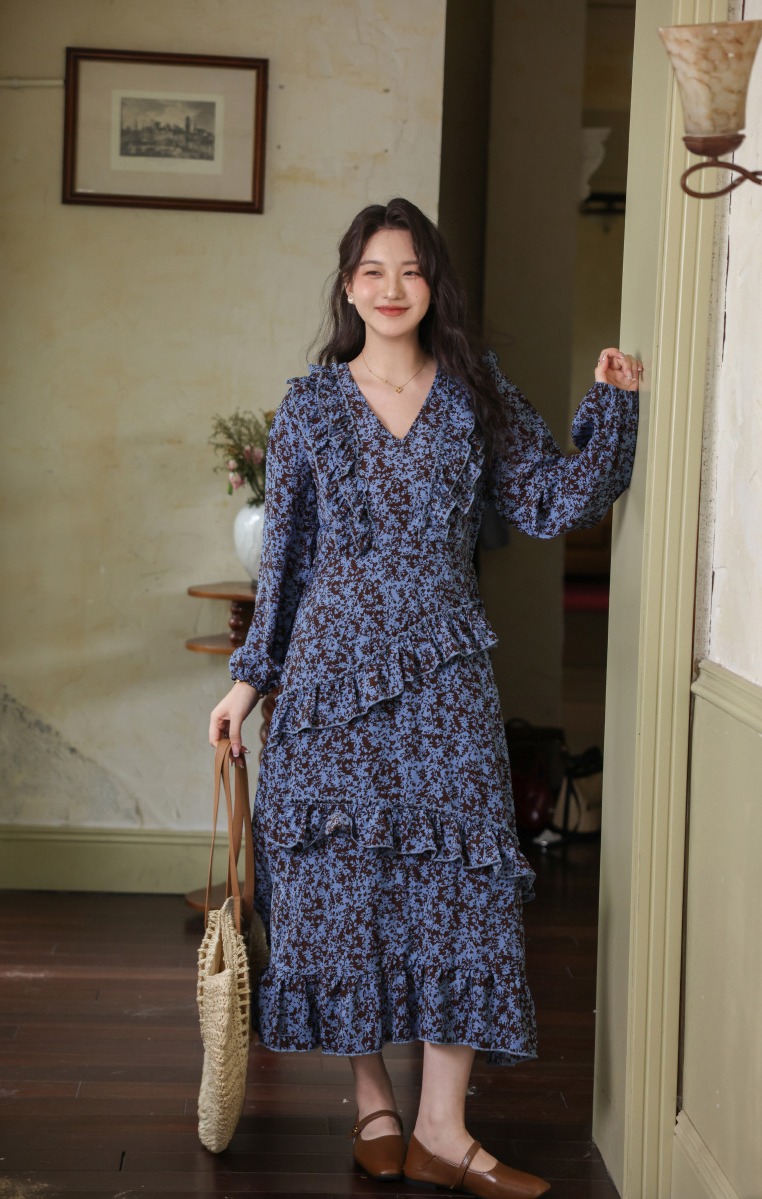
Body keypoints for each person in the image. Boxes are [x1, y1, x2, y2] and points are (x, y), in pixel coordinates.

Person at [208, 197, 641, 1199]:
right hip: (329, 684)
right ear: (348, 286)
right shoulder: (310, 406)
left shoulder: (475, 392)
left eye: (410, 269)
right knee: (342, 890)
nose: (392, 287)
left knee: (462, 889)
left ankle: (443, 1126)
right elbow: (286, 562)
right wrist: (246, 683)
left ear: (433, 284)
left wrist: (612, 403)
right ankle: (375, 1105)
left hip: (447, 680)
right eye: (373, 270)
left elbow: (553, 498)